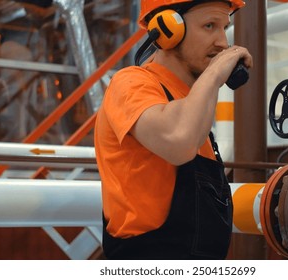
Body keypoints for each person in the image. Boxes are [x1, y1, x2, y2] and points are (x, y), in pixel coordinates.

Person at [94, 0, 252, 259]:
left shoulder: (191, 102)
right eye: (209, 25)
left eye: (225, 27)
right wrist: (214, 74)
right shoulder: (130, 83)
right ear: (168, 29)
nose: (223, 42)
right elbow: (179, 142)